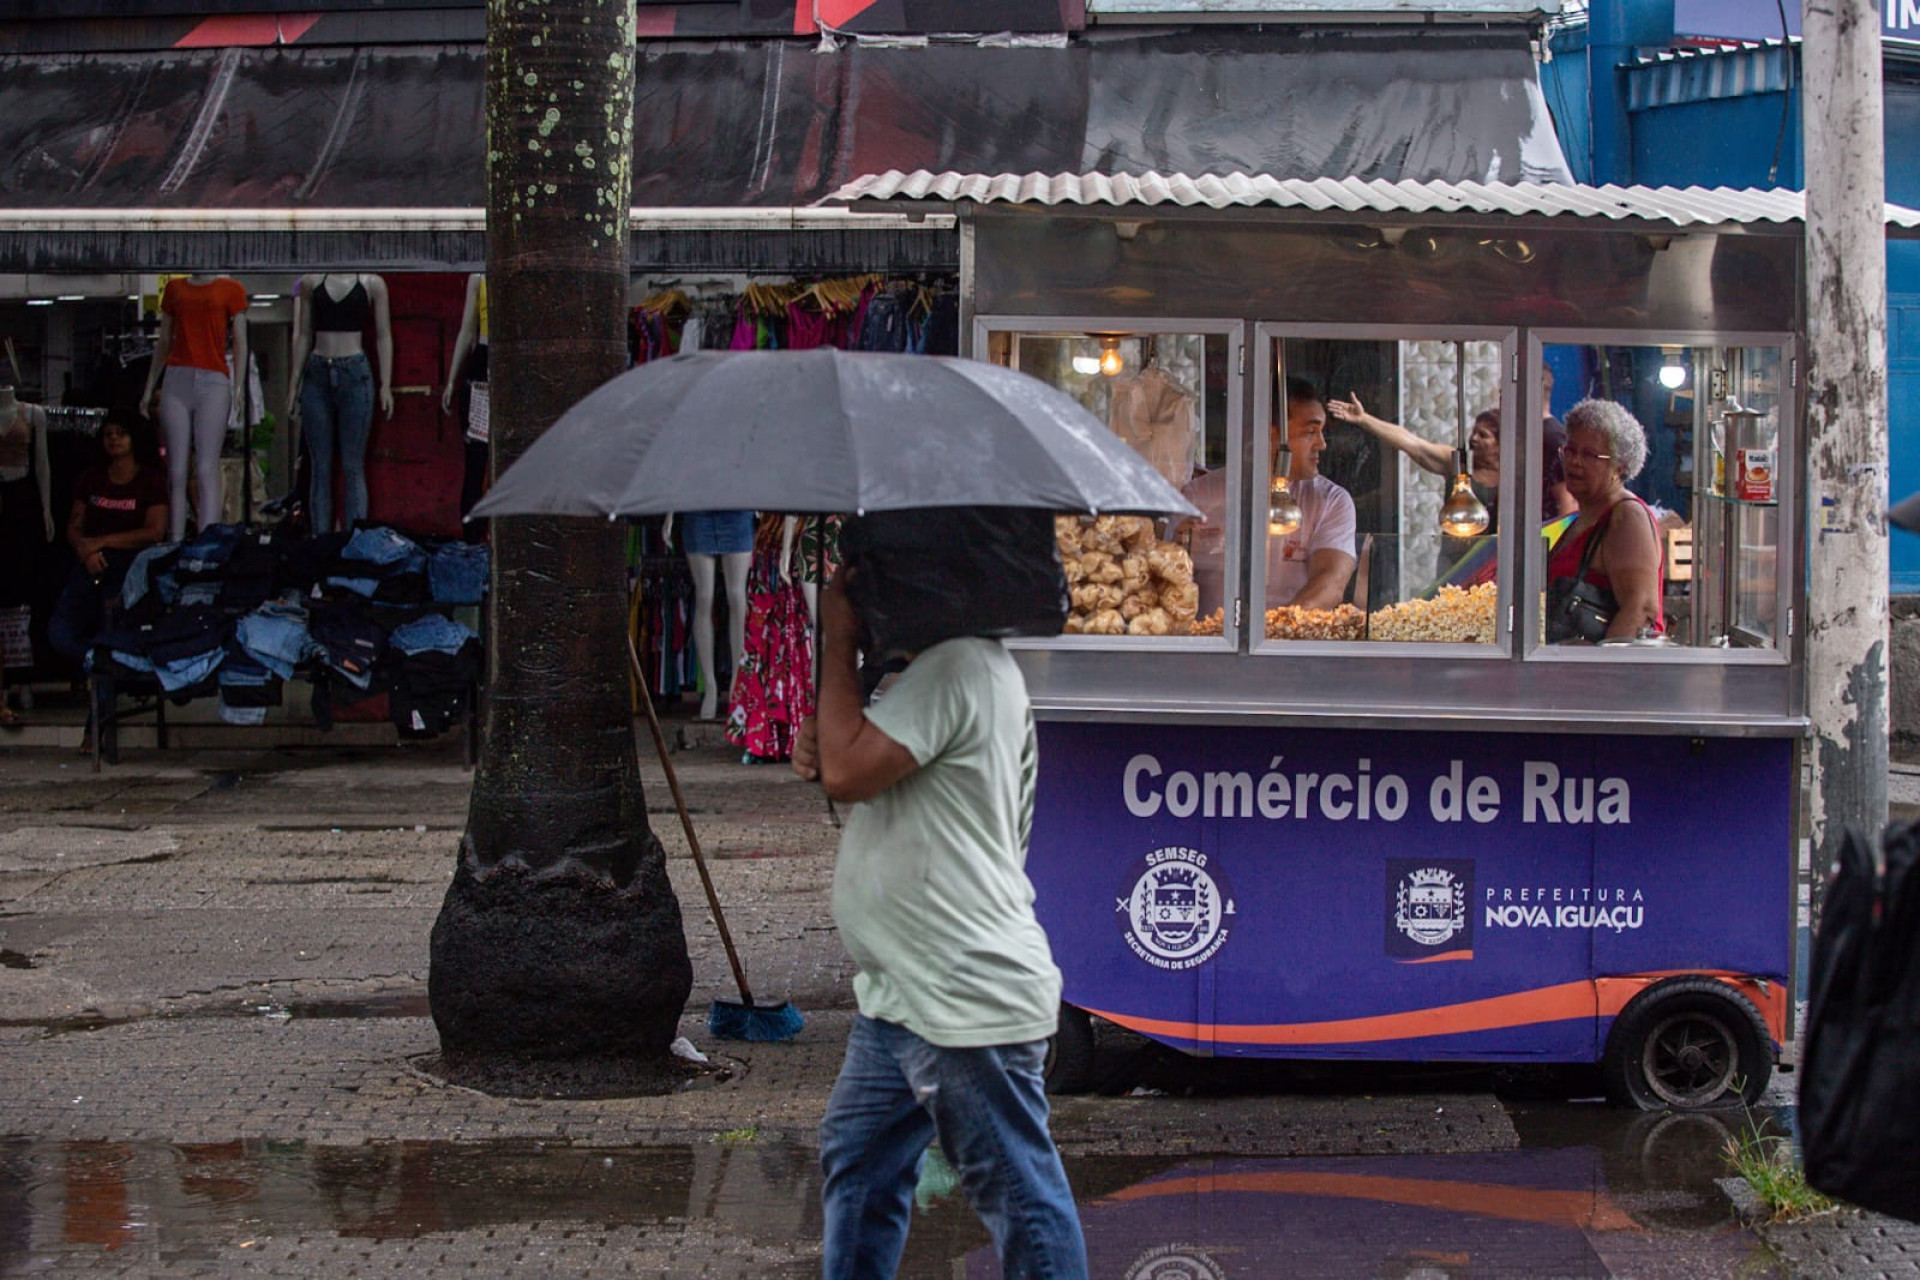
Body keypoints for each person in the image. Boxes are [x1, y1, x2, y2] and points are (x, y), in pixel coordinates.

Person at [790, 570, 1088, 1280]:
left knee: (1018, 1193)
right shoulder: (947, 673)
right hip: (902, 993)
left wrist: (836, 641)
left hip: (960, 995)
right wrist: (833, 734)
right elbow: (857, 766)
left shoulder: (957, 665)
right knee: (859, 1157)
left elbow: (848, 775)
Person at [1181, 376, 1356, 616]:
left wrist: (1272, 633)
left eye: (1321, 432)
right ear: (1271, 434)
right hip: (1210, 645)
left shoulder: (1331, 501)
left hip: (1289, 646)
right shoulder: (1198, 495)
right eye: (1311, 431)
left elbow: (1331, 583)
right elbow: (1170, 579)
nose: (1322, 444)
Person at [48, 418, 169, 671]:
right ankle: (95, 661)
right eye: (108, 434)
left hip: (130, 565)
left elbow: (155, 531)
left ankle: (106, 692)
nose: (114, 439)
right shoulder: (91, 478)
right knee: (59, 632)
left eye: (121, 433)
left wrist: (102, 542)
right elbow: (74, 525)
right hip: (90, 562)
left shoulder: (149, 479)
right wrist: (85, 549)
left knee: (113, 629)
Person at [139, 273, 248, 542]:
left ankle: (207, 539)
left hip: (214, 379)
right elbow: (164, 340)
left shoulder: (231, 289)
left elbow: (240, 342)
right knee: (176, 470)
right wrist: (149, 387)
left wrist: (238, 389)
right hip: (177, 378)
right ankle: (174, 541)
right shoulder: (175, 289)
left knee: (206, 467)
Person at [1547, 398, 1664, 641]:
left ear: (1619, 466)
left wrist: (1603, 672)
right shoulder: (1580, 518)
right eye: (1570, 450)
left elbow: (1641, 609)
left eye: (1589, 455)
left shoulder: (1627, 517)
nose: (1574, 461)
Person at [288, 272, 395, 533]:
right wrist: (294, 382)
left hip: (356, 374)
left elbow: (384, 335)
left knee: (352, 466)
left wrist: (386, 384)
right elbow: (303, 334)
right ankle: (321, 545)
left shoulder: (372, 283)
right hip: (316, 372)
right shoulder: (311, 283)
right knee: (320, 467)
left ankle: (353, 544)